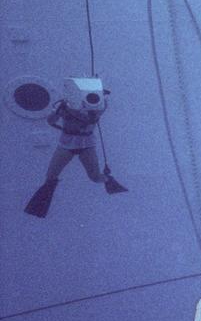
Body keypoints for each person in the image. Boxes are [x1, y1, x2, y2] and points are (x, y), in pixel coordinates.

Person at [24, 79, 126, 218]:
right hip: (67, 144)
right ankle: (40, 205)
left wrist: (74, 108)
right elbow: (51, 121)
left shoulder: (96, 104)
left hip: (87, 145)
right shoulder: (64, 105)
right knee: (51, 176)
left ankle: (109, 180)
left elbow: (92, 119)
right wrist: (59, 111)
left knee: (95, 177)